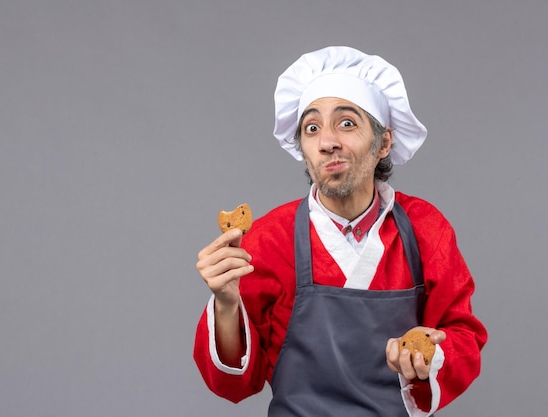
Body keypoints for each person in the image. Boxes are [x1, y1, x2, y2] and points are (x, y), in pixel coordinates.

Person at [193, 46, 487, 417]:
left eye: (346, 123)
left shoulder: (425, 229)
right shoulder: (269, 239)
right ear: (302, 148)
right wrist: (225, 303)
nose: (327, 141)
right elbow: (233, 386)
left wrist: (430, 354)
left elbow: (462, 333)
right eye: (311, 127)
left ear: (383, 143)